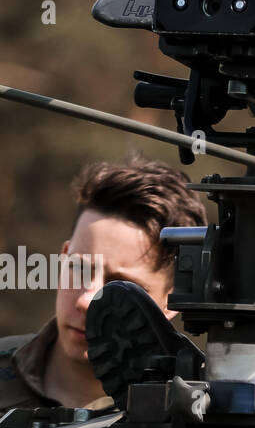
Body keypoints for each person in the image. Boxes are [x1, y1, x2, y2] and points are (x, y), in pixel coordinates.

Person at [0, 158, 207, 411]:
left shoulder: (193, 413)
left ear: (174, 297)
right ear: (64, 256)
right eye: (80, 268)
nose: (86, 301)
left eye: (119, 286)